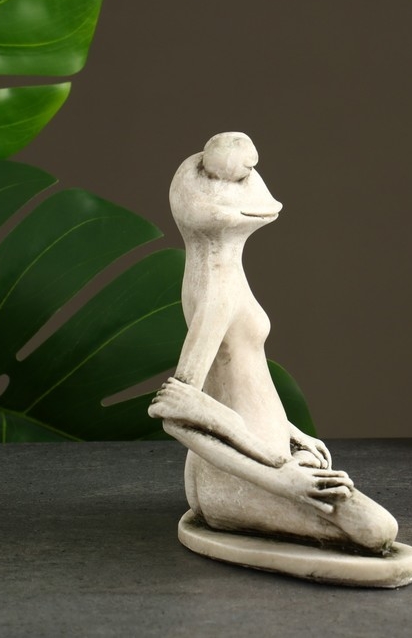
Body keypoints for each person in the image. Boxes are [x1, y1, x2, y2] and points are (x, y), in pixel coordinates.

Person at [149, 132, 397, 554]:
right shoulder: (217, 288)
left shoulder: (222, 273)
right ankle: (252, 501)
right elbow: (177, 412)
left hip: (268, 451)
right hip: (240, 475)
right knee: (377, 530)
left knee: (367, 520)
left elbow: (234, 380)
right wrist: (282, 478)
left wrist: (291, 434)